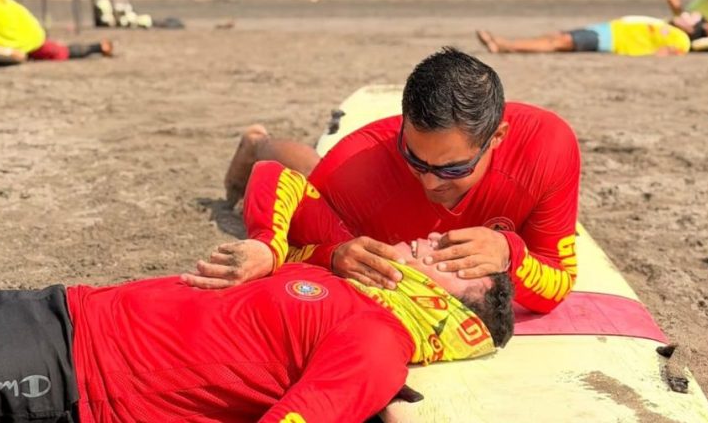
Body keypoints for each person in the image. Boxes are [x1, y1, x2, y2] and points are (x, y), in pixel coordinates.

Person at [0, 165, 515, 422]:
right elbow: (273, 175)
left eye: (453, 259)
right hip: (62, 307)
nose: (436, 238)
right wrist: (271, 246)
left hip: (70, 378)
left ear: (449, 308)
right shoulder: (352, 271)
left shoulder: (377, 345)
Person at [217, 48, 579, 314]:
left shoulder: (546, 149)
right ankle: (258, 145)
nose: (431, 183)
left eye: (453, 168)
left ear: (497, 138)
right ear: (402, 127)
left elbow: (556, 288)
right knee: (314, 172)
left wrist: (509, 253)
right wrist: (333, 256)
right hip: (366, 194)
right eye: (414, 160)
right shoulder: (355, 172)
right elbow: (292, 232)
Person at [0, 0, 113, 62]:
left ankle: (98, 47)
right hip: (27, 30)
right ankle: (98, 47)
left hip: (23, 36)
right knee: (59, 51)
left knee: (60, 52)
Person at [475, 16, 692, 56]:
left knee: (559, 42)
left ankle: (504, 44)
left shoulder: (681, 38)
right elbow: (676, 8)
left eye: (692, 17)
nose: (687, 14)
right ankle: (504, 45)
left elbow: (668, 53)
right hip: (606, 30)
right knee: (556, 37)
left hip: (610, 40)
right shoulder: (669, 23)